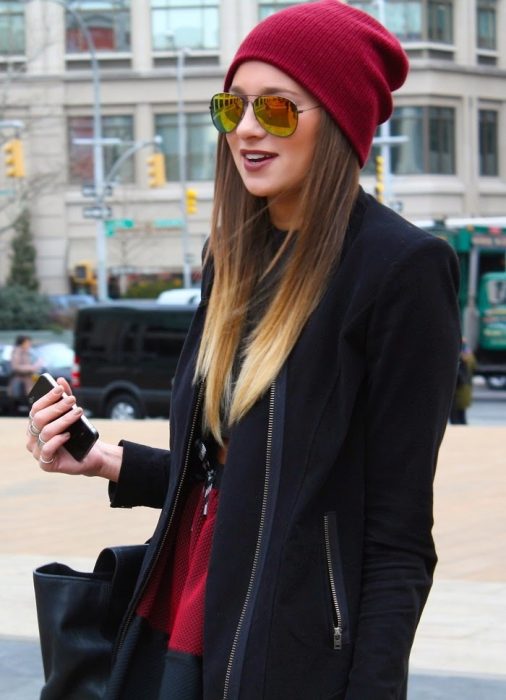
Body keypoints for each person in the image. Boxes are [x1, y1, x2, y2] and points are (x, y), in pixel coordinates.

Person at [26, 2, 461, 698]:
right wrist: (106, 460)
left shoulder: (400, 268)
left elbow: (398, 534)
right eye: (234, 107)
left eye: (279, 109)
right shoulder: (229, 257)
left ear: (341, 120)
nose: (249, 130)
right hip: (182, 610)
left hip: (289, 649)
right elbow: (244, 477)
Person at [8, 335, 42, 407]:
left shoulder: (26, 352)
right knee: (20, 400)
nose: (29, 344)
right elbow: (15, 367)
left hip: (28, 379)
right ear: (22, 343)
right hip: (20, 380)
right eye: (27, 342)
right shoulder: (17, 351)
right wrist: (32, 368)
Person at [450, 338, 476, 425]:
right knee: (461, 415)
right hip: (465, 389)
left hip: (459, 391)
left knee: (456, 416)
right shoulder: (470, 357)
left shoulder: (460, 359)